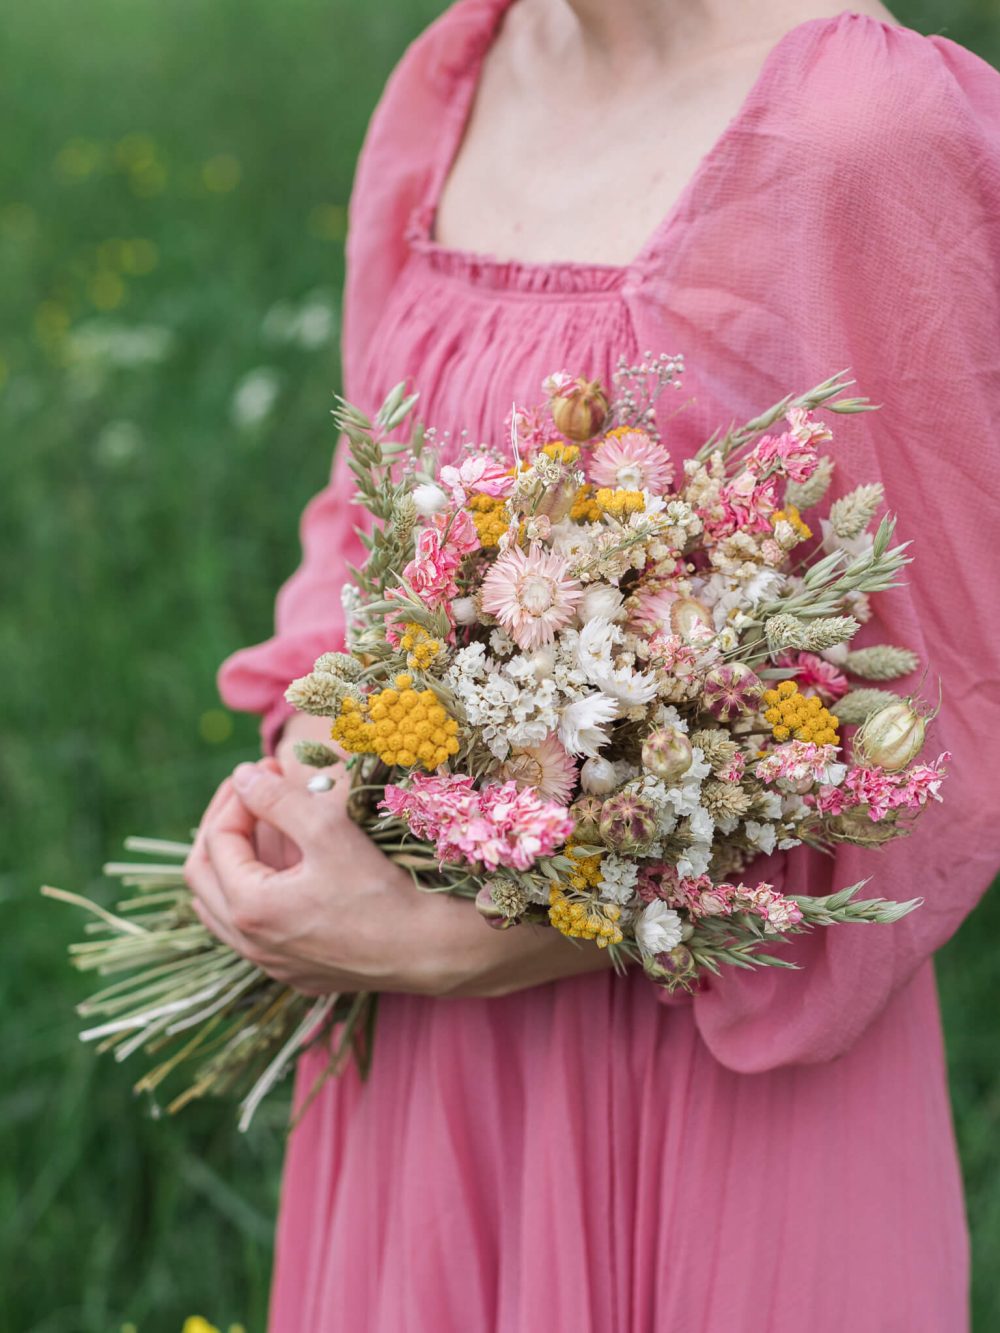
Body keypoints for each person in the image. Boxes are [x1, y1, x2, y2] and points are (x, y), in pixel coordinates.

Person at [184, 1, 1000, 1327]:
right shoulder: (455, 77)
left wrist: (492, 936)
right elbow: (364, 531)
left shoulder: (865, 135)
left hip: (716, 1097)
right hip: (415, 1071)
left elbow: (944, 722)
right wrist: (305, 788)